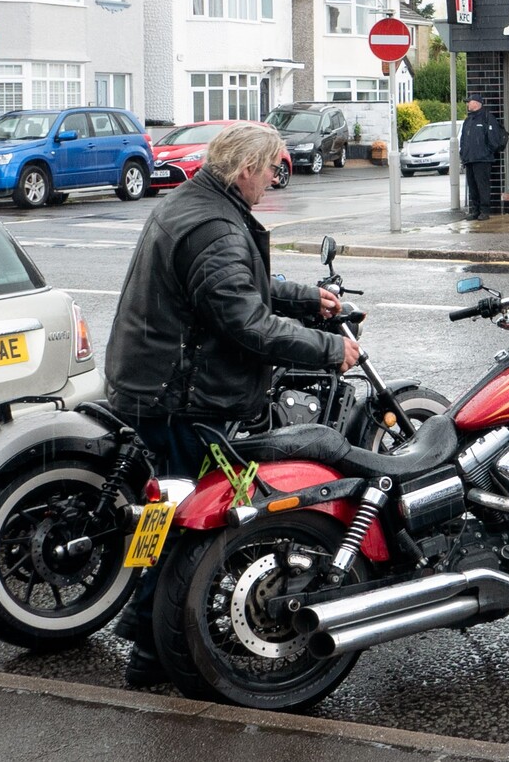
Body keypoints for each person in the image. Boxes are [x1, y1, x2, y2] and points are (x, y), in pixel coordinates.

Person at [104, 120, 357, 687]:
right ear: (247, 169)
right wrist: (330, 347)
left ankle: (158, 639)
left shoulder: (197, 203)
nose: (273, 179)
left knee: (167, 516)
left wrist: (301, 298)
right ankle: (150, 650)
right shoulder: (214, 227)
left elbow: (235, 285)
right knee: (186, 529)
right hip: (181, 399)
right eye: (271, 169)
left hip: (154, 386)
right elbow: (243, 320)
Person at [458, 95, 507, 220]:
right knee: (472, 186)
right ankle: (475, 210)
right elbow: (463, 139)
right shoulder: (468, 120)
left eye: (469, 102)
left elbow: (494, 140)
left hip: (483, 160)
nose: (467, 104)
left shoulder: (487, 118)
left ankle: (484, 211)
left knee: (482, 186)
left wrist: (486, 152)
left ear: (476, 103)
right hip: (469, 159)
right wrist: (463, 154)